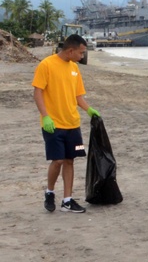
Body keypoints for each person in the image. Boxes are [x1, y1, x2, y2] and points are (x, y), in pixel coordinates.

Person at [32, 33, 99, 214]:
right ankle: (50, 192)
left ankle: (67, 200)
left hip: (72, 123)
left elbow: (78, 96)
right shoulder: (46, 65)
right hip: (53, 124)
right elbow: (38, 92)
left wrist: (89, 110)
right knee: (58, 160)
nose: (82, 56)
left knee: (70, 160)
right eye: (81, 53)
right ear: (70, 51)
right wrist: (45, 116)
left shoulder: (75, 69)